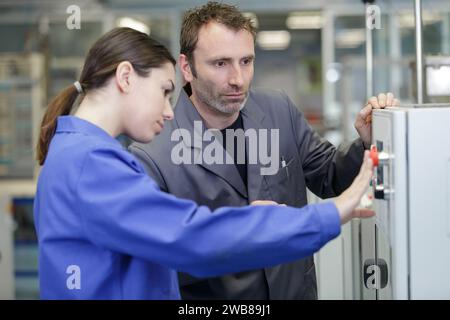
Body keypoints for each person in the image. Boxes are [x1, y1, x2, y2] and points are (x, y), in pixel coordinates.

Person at [34, 27, 373, 300]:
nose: (169, 110)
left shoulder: (75, 152)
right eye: (165, 91)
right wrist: (328, 214)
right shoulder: (94, 164)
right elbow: (191, 237)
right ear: (125, 77)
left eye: (246, 61)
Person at [129, 2, 398, 300]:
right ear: (186, 67)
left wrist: (365, 142)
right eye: (220, 63)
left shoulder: (277, 109)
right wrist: (241, 229)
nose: (238, 79)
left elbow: (330, 175)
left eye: (246, 61)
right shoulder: (152, 153)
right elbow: (155, 258)